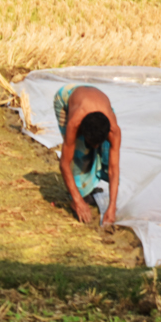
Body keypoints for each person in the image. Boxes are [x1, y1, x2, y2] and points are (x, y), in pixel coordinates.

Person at [55, 84, 121, 226]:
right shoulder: (75, 124)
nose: (95, 146)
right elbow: (64, 164)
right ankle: (80, 193)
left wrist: (112, 206)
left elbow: (113, 170)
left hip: (96, 103)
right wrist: (78, 201)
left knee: (105, 153)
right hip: (68, 96)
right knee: (80, 151)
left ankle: (88, 185)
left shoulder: (114, 130)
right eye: (92, 142)